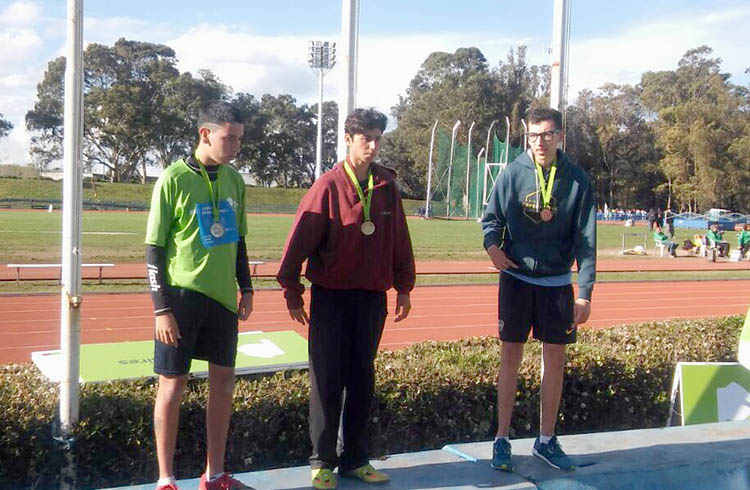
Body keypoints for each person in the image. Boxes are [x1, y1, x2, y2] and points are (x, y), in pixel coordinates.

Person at [277, 108, 416, 489]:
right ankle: (321, 461)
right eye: (365, 138)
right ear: (348, 139)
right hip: (332, 298)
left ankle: (356, 459)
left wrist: (405, 286)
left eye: (377, 138)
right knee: (326, 379)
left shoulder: (386, 185)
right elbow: (298, 243)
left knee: (361, 379)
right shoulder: (327, 186)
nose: (372, 146)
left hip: (371, 299)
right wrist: (292, 290)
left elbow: (399, 241)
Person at [145, 100, 255, 490]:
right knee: (172, 385)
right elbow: (154, 248)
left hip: (223, 299)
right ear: (205, 134)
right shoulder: (173, 178)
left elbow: (239, 240)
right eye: (230, 138)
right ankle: (166, 479)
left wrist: (246, 287)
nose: (236, 146)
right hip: (181, 297)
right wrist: (162, 309)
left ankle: (215, 474)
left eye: (240, 139)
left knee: (223, 384)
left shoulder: (235, 181)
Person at [481, 107, 596, 472]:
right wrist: (493, 248)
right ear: (526, 136)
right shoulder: (513, 172)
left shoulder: (577, 180)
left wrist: (584, 293)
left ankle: (546, 440)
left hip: (557, 284)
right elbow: (492, 218)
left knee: (555, 363)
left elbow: (587, 241)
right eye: (533, 134)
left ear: (561, 135)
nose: (540, 142)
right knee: (510, 358)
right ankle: (501, 438)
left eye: (547, 134)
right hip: (516, 280)